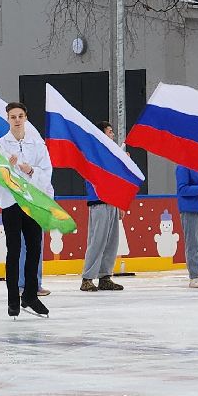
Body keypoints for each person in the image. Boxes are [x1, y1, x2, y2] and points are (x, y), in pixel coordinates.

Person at [0, 103, 53, 318]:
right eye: (13, 117)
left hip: (33, 202)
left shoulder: (37, 145)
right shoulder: (0, 145)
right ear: (7, 119)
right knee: (14, 250)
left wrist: (30, 170)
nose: (17, 120)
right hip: (11, 203)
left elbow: (46, 173)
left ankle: (30, 295)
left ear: (26, 118)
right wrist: (8, 168)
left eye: (20, 116)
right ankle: (12, 299)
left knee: (35, 248)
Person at [79, 121, 125, 293]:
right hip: (98, 201)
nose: (112, 135)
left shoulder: (111, 154)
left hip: (112, 201)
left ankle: (105, 275)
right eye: (110, 132)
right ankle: (87, 277)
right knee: (97, 240)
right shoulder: (93, 153)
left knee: (111, 241)